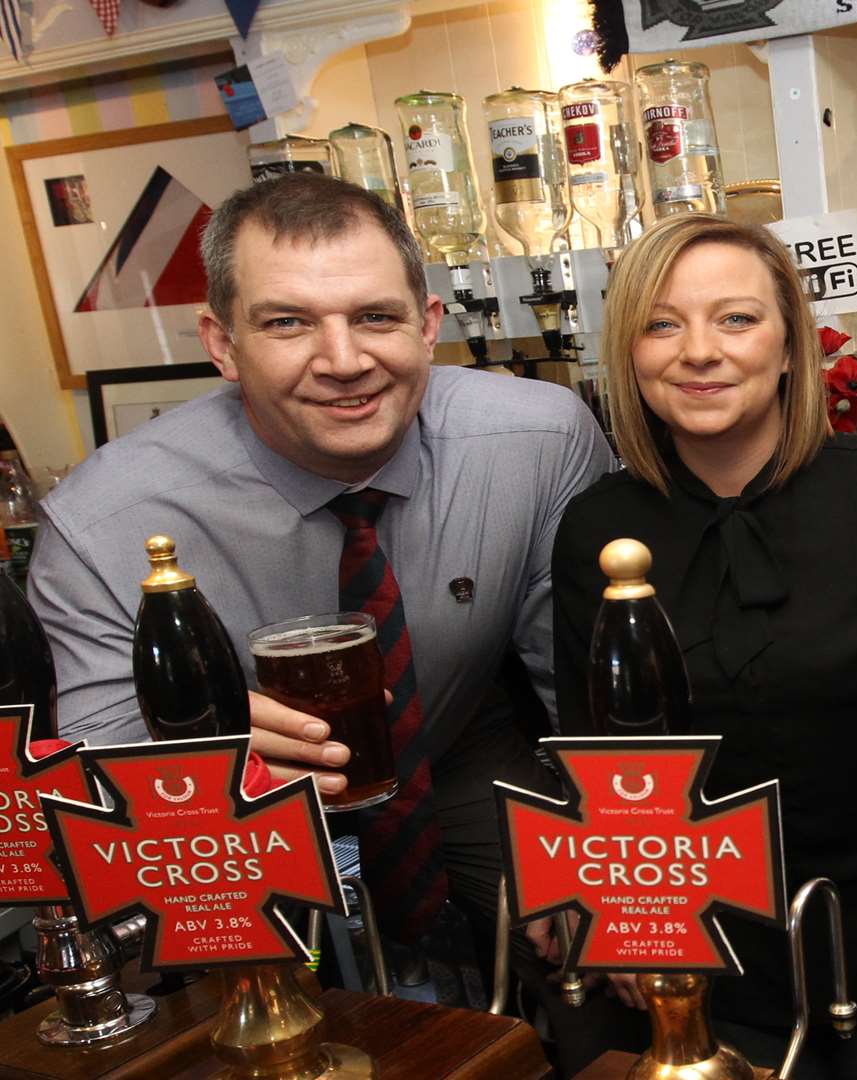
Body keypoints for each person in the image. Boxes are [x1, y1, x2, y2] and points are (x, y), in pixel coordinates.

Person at [27, 175, 618, 1073]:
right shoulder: (107, 517)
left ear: (427, 325)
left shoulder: (535, 440)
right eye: (288, 323)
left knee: (609, 954)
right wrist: (204, 751)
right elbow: (102, 764)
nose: (343, 359)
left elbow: (572, 680)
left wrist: (592, 851)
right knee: (217, 1030)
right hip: (233, 815)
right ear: (222, 345)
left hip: (454, 751)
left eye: (375, 317)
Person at [551, 214, 857, 1079]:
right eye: (662, 323)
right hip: (687, 941)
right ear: (630, 355)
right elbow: (599, 746)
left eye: (735, 318)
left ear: (791, 344)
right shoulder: (599, 527)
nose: (699, 351)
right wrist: (614, 917)